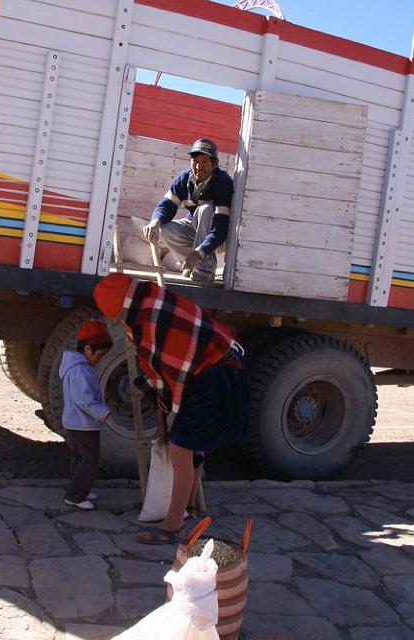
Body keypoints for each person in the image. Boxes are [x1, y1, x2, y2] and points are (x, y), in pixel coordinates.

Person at [92, 273, 249, 544]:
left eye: (115, 318)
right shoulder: (154, 302)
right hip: (219, 366)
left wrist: (165, 423)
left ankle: (173, 525)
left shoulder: (149, 321)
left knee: (181, 448)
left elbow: (163, 375)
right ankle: (186, 506)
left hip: (213, 373)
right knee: (193, 446)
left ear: (120, 309)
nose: (116, 323)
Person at [142, 138, 234, 283]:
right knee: (164, 228)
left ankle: (205, 267)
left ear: (215, 164)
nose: (198, 166)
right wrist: (155, 222)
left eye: (204, 161)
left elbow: (220, 229)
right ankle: (191, 264)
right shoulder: (185, 178)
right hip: (194, 231)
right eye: (195, 161)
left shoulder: (223, 182)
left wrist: (199, 252)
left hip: (219, 237)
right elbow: (166, 206)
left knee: (206, 209)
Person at [59, 320, 113, 510]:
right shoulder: (80, 370)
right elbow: (84, 399)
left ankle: (79, 488)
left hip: (75, 423)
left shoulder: (77, 367)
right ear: (88, 349)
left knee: (80, 458)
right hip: (83, 424)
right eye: (99, 355)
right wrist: (104, 412)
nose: (100, 359)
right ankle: (75, 495)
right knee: (90, 460)